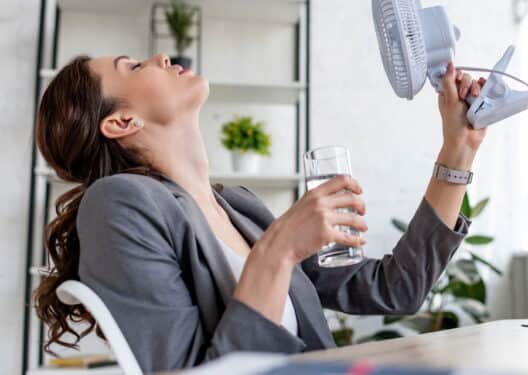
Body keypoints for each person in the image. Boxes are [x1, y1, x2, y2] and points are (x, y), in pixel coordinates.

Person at [33, 53, 487, 372]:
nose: (158, 57)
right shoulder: (116, 203)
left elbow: (395, 290)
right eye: (131, 67)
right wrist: (280, 248)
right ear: (120, 122)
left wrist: (458, 147)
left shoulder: (240, 207)